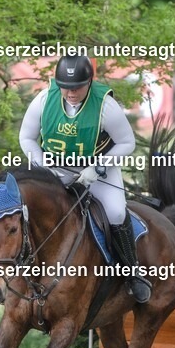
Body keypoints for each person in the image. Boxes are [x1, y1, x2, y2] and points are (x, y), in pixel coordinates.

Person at [19, 54, 152, 303]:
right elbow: (26, 137)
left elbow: (127, 142)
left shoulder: (105, 106)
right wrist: (40, 164)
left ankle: (132, 273)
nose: (70, 92)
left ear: (89, 82)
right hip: (55, 171)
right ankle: (21, 272)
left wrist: (98, 167)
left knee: (114, 213)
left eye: (77, 87)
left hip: (96, 171)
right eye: (65, 86)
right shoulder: (44, 100)